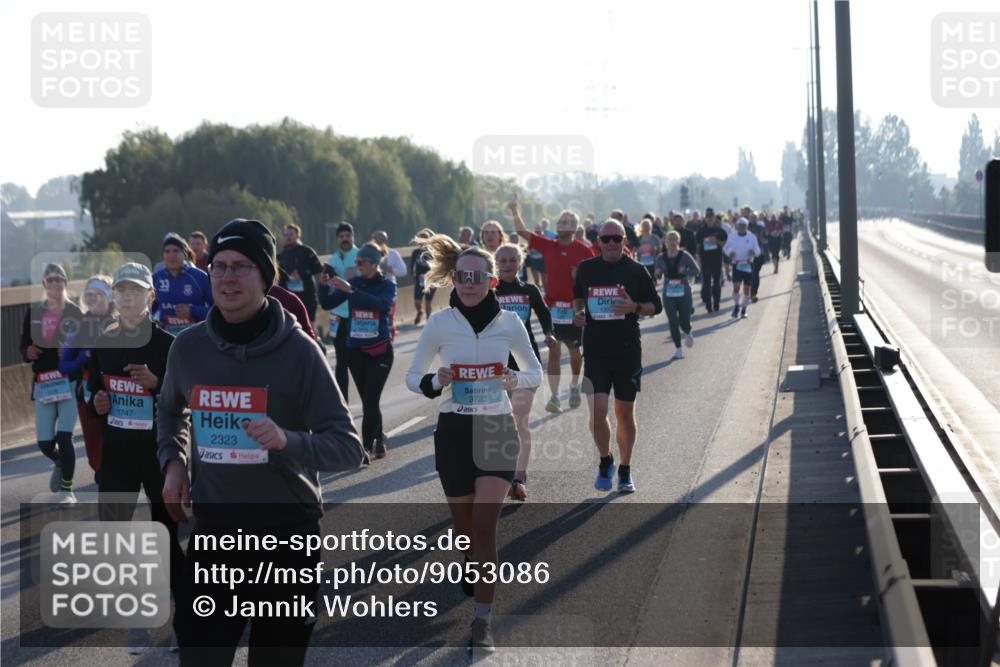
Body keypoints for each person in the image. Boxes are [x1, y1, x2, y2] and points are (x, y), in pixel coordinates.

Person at [159, 219, 365, 666]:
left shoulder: (300, 352)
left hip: (286, 535)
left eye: (242, 266)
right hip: (214, 534)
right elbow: (170, 410)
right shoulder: (188, 349)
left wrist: (286, 440)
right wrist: (174, 461)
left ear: (267, 277)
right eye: (219, 266)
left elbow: (348, 448)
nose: (228, 277)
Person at [405, 234, 542, 652]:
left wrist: (513, 379)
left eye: (477, 277)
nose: (468, 283)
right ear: (454, 279)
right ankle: (470, 560)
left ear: (491, 280)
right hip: (453, 432)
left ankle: (483, 623)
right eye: (462, 276)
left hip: (496, 428)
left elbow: (535, 372)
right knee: (464, 528)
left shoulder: (510, 323)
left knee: (484, 525)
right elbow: (413, 376)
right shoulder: (439, 323)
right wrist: (435, 380)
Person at [87, 262, 185, 655]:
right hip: (118, 455)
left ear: (151, 297)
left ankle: (182, 621)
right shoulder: (103, 343)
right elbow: (95, 393)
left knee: (167, 540)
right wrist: (98, 401)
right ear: (114, 297)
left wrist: (157, 384)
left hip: (157, 453)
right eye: (122, 291)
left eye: (136, 291)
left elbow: (184, 403)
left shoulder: (168, 346)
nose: (128, 298)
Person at [572, 220, 661, 494]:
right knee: (598, 412)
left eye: (617, 238)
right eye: (606, 238)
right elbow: (577, 298)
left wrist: (634, 306)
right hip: (597, 351)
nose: (611, 243)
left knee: (624, 413)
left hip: (627, 352)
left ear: (625, 241)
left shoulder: (637, 271)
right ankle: (605, 460)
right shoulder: (587, 269)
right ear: (598, 241)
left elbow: (655, 306)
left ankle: (625, 469)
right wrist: (578, 314)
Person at [509, 196, 596, 413]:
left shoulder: (584, 250)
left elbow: (594, 280)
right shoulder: (549, 245)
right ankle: (555, 397)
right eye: (560, 220)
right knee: (554, 351)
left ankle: (574, 385)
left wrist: (580, 277)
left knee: (575, 353)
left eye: (567, 221)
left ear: (575, 227)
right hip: (553, 307)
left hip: (575, 308)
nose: (561, 223)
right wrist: (514, 211)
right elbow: (523, 233)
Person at [318, 243, 397, 461]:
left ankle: (366, 447)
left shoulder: (386, 285)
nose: (358, 266)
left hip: (379, 351)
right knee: (367, 401)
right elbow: (327, 303)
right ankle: (379, 439)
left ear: (373, 264)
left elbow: (381, 305)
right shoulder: (353, 283)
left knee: (371, 400)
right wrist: (324, 285)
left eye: (362, 262)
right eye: (357, 262)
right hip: (355, 351)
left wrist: (351, 291)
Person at [493, 243, 555, 502]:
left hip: (525, 364)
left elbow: (544, 314)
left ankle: (518, 477)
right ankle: (499, 474)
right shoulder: (489, 291)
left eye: (512, 260)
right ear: (496, 264)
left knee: (520, 422)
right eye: (503, 260)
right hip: (494, 365)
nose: (508, 264)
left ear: (520, 262)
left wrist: (549, 334)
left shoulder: (529, 290)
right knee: (497, 425)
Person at [20, 263, 83, 502]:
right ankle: (59, 461)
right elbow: (23, 345)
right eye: (51, 280)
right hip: (44, 384)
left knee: (65, 437)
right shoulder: (33, 312)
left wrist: (71, 351)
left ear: (65, 284)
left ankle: (68, 490)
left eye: (60, 280)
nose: (55, 285)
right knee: (45, 443)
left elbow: (87, 349)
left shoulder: (75, 312)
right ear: (45, 284)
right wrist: (28, 351)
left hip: (67, 382)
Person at [59, 275, 115, 474]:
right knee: (95, 450)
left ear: (109, 296)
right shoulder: (79, 326)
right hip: (87, 395)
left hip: (119, 395)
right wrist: (84, 357)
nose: (94, 299)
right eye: (90, 294)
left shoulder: (123, 322)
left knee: (119, 448)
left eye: (99, 294)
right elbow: (64, 366)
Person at [324, 222, 360, 399]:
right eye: (341, 236)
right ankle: (342, 401)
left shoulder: (360, 255)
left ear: (353, 237)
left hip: (356, 314)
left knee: (357, 360)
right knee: (341, 361)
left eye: (347, 236)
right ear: (337, 239)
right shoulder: (333, 259)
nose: (344, 239)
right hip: (337, 314)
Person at [152, 233, 213, 336]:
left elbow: (217, 310)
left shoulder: (200, 277)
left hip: (196, 336)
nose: (171, 255)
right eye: (167, 252)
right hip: (164, 338)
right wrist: (158, 316)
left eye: (176, 251)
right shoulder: (156, 279)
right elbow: (149, 309)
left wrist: (193, 311)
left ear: (184, 254)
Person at [655, 231, 700, 360]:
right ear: (665, 242)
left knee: (684, 320)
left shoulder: (684, 255)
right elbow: (657, 273)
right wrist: (658, 273)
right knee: (673, 321)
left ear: (678, 241)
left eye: (675, 239)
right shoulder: (660, 258)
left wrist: (685, 271)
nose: (672, 241)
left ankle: (688, 330)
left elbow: (696, 270)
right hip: (668, 293)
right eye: (670, 239)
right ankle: (678, 349)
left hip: (684, 292)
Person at [277, 223, 324, 322]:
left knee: (308, 324)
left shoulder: (307, 252)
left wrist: (319, 293)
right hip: (288, 297)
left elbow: (318, 272)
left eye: (291, 234)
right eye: (286, 235)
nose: (288, 237)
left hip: (307, 296)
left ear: (298, 235)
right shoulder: (281, 256)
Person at [723, 218, 760, 319]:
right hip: (737, 264)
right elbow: (725, 248)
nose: (741, 228)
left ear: (746, 227)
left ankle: (744, 310)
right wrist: (730, 253)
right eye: (740, 226)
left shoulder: (752, 237)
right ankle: (736, 307)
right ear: (737, 227)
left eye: (744, 226)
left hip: (748, 264)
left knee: (747, 290)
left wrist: (754, 253)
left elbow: (758, 251)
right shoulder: (732, 236)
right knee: (736, 287)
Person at [372, 230, 406, 339]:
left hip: (389, 289)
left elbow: (403, 271)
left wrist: (392, 270)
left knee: (389, 316)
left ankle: (390, 338)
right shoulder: (369, 254)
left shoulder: (393, 254)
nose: (379, 241)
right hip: (374, 289)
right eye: (377, 238)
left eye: (381, 238)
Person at [696, 208, 728, 312]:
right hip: (705, 259)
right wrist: (698, 259)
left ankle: (716, 302)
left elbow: (724, 244)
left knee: (717, 282)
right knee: (706, 282)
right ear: (705, 218)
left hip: (716, 259)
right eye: (708, 217)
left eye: (711, 217)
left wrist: (716, 241)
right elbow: (698, 245)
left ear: (714, 218)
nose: (709, 219)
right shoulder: (701, 231)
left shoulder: (720, 230)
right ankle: (708, 303)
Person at [410, 228, 438, 325]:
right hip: (420, 279)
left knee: (428, 301)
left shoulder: (433, 251)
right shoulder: (416, 252)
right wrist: (413, 276)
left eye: (425, 238)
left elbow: (438, 265)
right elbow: (412, 265)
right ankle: (419, 311)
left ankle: (429, 320)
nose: (422, 241)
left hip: (431, 279)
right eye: (420, 238)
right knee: (417, 301)